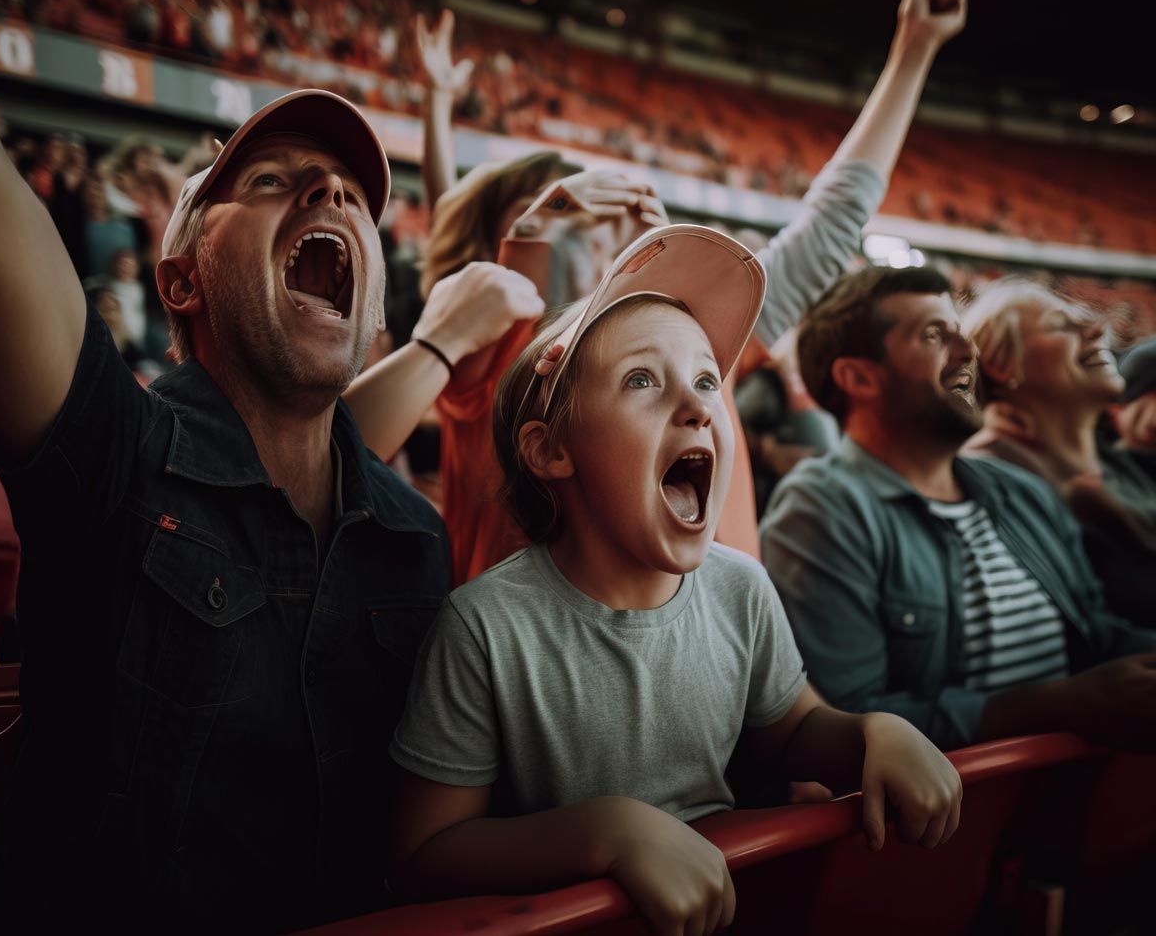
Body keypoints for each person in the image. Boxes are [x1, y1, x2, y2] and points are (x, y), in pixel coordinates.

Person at [0, 72, 491, 931]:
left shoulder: (413, 536)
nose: (329, 191)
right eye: (272, 180)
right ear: (180, 282)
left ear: (376, 320)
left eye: (353, 195)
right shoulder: (113, 454)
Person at [389, 227, 961, 936]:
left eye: (705, 381)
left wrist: (875, 734)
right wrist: (605, 832)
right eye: (641, 380)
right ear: (551, 449)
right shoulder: (482, 627)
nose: (695, 406)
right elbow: (425, 850)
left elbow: (792, 730)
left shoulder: (741, 587)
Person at [403, 0, 971, 584]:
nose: (589, 228)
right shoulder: (499, 360)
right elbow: (471, 255)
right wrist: (543, 215)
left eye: (601, 216)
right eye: (561, 214)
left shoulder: (702, 340)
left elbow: (832, 223)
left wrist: (913, 52)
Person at [760, 265, 1156, 752]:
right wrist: (1060, 704)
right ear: (859, 377)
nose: (968, 352)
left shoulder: (1020, 491)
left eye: (959, 332)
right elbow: (842, 723)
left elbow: (1097, 632)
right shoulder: (822, 509)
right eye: (933, 335)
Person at [961, 279, 1156, 627]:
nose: (1097, 329)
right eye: (1060, 325)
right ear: (1000, 365)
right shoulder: (986, 487)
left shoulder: (1120, 463)